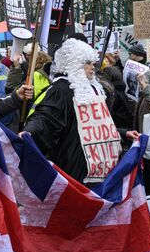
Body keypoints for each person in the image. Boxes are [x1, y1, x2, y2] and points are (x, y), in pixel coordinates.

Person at [23, 38, 121, 185]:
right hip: (75, 169)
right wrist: (30, 132)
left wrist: (124, 133)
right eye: (87, 63)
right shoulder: (61, 90)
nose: (92, 67)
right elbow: (46, 117)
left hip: (100, 171)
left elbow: (97, 125)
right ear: (74, 64)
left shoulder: (94, 87)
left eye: (92, 63)